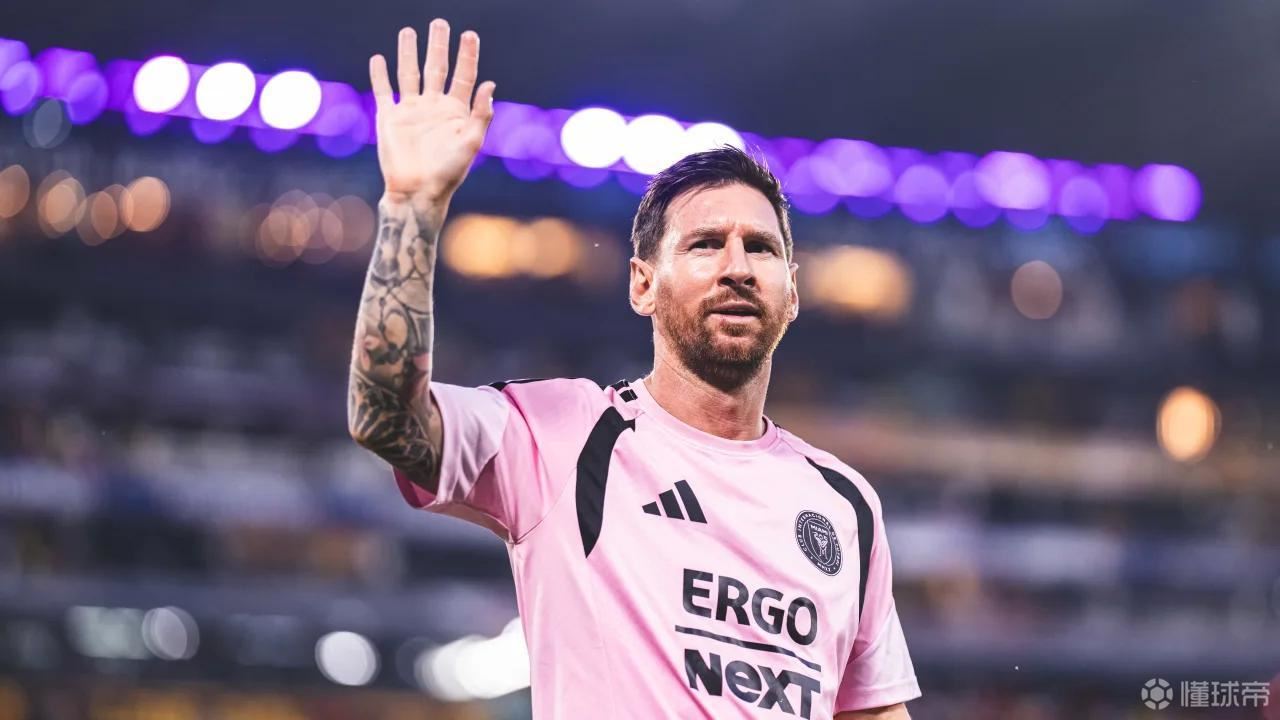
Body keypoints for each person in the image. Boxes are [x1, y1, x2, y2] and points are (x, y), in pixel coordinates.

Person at [348, 18, 920, 720]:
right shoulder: (562, 436)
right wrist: (411, 208)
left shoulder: (845, 504)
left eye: (761, 248)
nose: (737, 267)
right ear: (642, 284)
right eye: (705, 244)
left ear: (792, 292)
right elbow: (384, 416)